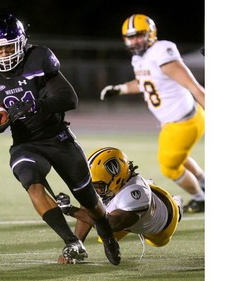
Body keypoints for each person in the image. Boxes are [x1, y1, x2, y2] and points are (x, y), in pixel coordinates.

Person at [0, 13, 121, 265]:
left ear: (21, 43)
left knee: (89, 200)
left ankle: (106, 233)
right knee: (31, 183)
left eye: (7, 48)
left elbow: (70, 99)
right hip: (25, 143)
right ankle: (72, 242)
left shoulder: (37, 58)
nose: (3, 55)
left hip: (58, 138)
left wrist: (34, 106)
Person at [100, 14, 205, 213]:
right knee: (178, 156)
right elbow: (145, 83)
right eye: (130, 37)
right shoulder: (140, 58)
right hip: (180, 121)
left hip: (182, 123)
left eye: (139, 35)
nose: (135, 41)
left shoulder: (160, 51)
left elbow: (195, 87)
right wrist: (120, 89)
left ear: (151, 33)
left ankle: (201, 198)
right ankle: (206, 183)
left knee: (169, 167)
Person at [56, 147, 183, 264]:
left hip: (163, 223)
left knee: (158, 242)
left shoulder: (134, 193)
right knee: (93, 209)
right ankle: (149, 185)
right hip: (126, 210)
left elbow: (112, 225)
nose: (97, 190)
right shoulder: (115, 183)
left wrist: (70, 210)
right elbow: (89, 206)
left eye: (99, 186)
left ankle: (177, 203)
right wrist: (76, 245)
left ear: (116, 175)